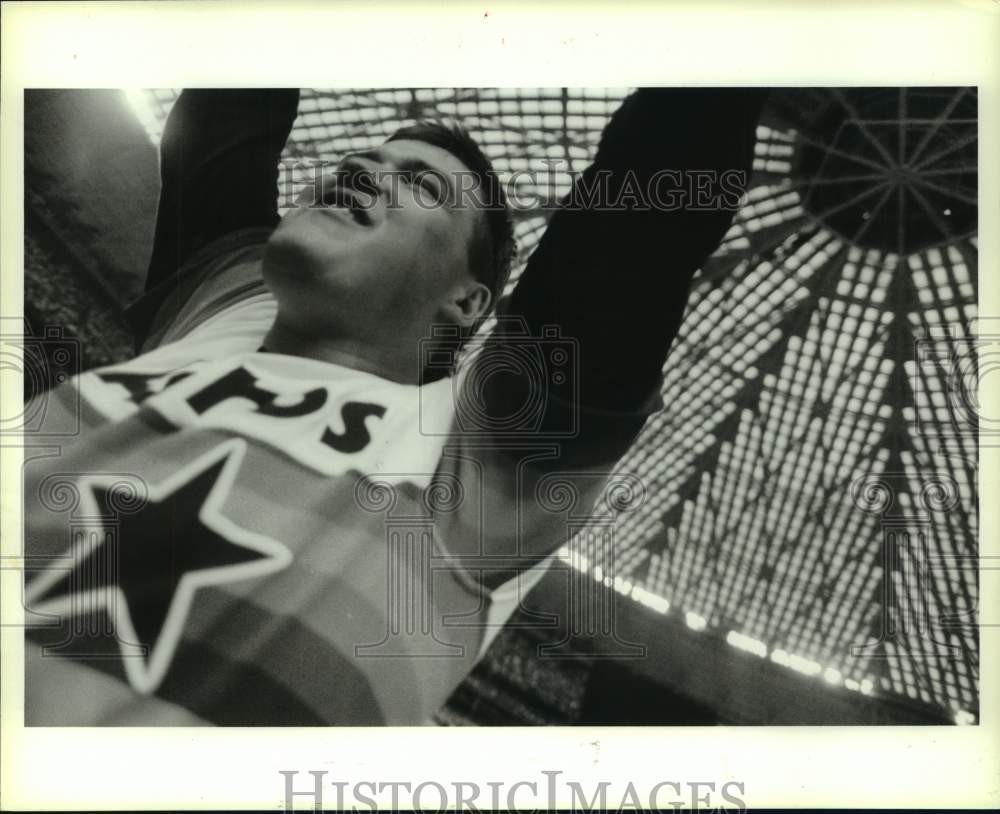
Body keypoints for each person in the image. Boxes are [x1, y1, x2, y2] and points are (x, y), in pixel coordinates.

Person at [22, 87, 764, 725]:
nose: (364, 172)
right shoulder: (230, 301)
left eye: (423, 187)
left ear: (468, 301)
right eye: (366, 162)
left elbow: (636, 230)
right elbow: (228, 109)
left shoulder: (480, 462)